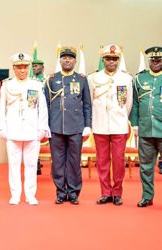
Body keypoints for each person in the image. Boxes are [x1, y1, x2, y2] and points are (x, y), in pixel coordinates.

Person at [0, 52, 49, 205]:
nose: (22, 70)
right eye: (19, 67)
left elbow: (42, 108)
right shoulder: (7, 85)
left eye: (25, 67)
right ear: (13, 68)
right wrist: (2, 128)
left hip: (32, 131)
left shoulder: (36, 84)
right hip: (13, 131)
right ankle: (15, 194)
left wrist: (42, 129)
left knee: (32, 165)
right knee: (13, 165)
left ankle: (30, 194)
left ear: (29, 68)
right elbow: (1, 108)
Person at [45, 46, 92, 205]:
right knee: (57, 162)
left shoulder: (81, 79)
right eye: (64, 57)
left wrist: (87, 125)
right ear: (60, 60)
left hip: (76, 126)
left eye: (70, 57)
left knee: (74, 162)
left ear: (75, 61)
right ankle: (60, 192)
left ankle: (73, 192)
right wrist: (45, 125)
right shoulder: (52, 79)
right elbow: (45, 104)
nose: (67, 60)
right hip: (56, 125)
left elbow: (87, 104)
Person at [88, 44, 133, 206]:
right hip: (99, 124)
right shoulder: (93, 78)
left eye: (115, 59)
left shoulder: (126, 79)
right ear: (103, 60)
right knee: (102, 161)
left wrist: (121, 117)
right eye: (108, 59)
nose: (111, 62)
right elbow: (90, 101)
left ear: (118, 60)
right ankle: (105, 192)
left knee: (119, 161)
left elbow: (128, 104)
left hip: (119, 125)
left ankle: (118, 192)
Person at [130, 46, 162, 207]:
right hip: (145, 129)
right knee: (146, 167)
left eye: (159, 60)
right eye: (153, 60)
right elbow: (135, 103)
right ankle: (147, 197)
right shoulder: (140, 79)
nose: (155, 62)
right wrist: (135, 124)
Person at [32, 58, 46, 175]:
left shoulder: (47, 80)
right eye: (33, 66)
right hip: (33, 114)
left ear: (42, 67)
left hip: (44, 112)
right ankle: (36, 162)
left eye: (37, 66)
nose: (34, 68)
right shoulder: (30, 80)